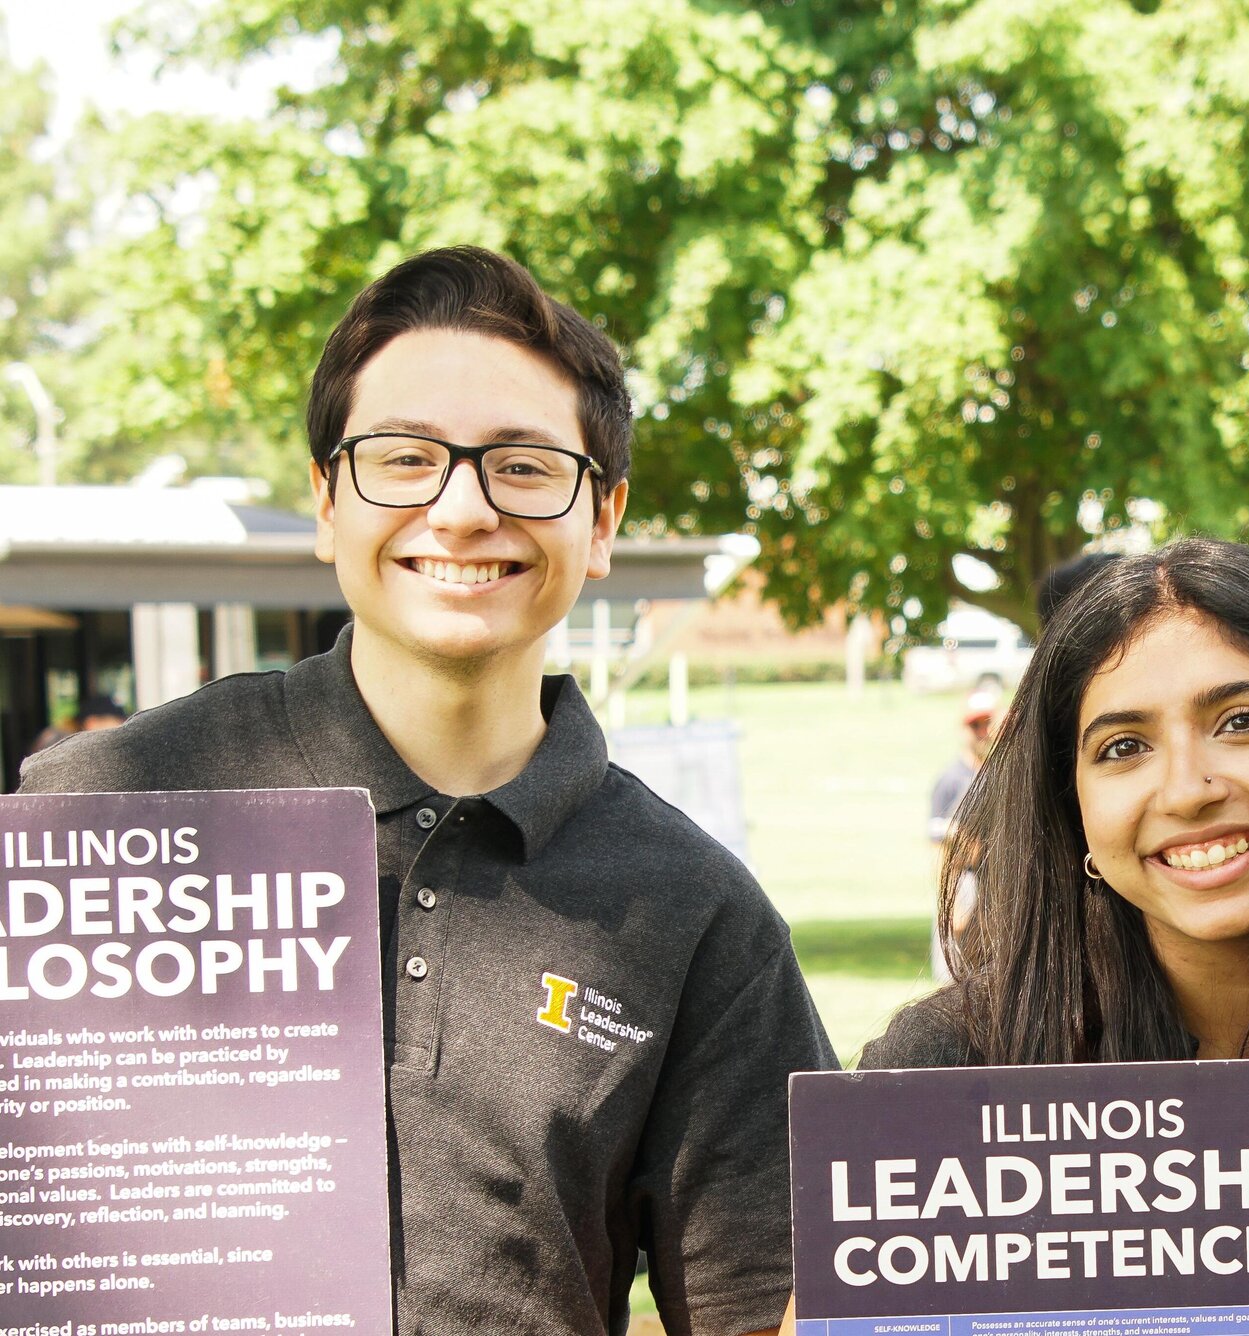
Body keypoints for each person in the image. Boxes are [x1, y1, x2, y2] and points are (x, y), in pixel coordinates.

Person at [21, 246, 834, 1336]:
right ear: (324, 500)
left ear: (602, 521)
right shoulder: (97, 817)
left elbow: (768, 1311)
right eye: (403, 459)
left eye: (526, 466)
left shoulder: (696, 914)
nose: (459, 511)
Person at [862, 535, 1249, 1069]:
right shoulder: (948, 1068)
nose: (1187, 792)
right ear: (1070, 802)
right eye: (1123, 747)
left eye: (1242, 721)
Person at [926, 689, 998, 980]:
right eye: (975, 725)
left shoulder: (998, 775)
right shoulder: (952, 780)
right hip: (963, 882)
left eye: (988, 723)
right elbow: (938, 847)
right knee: (954, 983)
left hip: (993, 885)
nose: (982, 732)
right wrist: (950, 900)